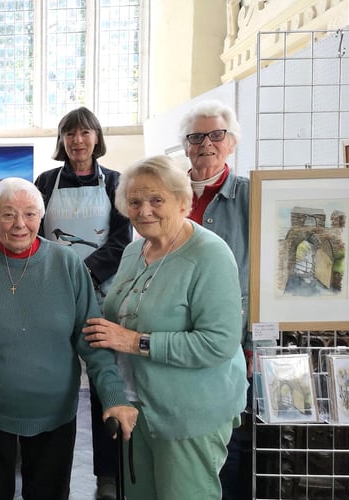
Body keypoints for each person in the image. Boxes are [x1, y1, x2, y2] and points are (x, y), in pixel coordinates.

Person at [0, 177, 137, 500]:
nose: (20, 224)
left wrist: (114, 394)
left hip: (55, 416)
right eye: (8, 214)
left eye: (30, 214)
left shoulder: (68, 265)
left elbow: (92, 341)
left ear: (42, 217)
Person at [83, 155, 248, 500]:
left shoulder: (209, 255)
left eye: (157, 200)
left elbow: (218, 343)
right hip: (137, 406)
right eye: (135, 201)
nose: (144, 210)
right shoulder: (133, 250)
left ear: (183, 201)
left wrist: (135, 342)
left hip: (189, 414)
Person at [34, 106, 132, 500]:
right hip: (51, 293)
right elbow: (34, 234)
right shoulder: (44, 182)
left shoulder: (115, 183)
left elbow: (123, 238)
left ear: (97, 138)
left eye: (85, 133)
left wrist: (84, 274)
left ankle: (107, 474)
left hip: (103, 295)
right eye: (70, 133)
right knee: (52, 379)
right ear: (62, 140)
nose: (78, 140)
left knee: (103, 382)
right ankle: (46, 469)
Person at [179, 99, 274, 500]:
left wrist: (254, 346)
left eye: (216, 134)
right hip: (177, 339)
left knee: (230, 442)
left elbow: (268, 276)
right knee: (185, 438)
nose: (206, 144)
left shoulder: (253, 197)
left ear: (231, 142)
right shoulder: (168, 194)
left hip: (230, 341)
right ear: (185, 146)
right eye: (196, 136)